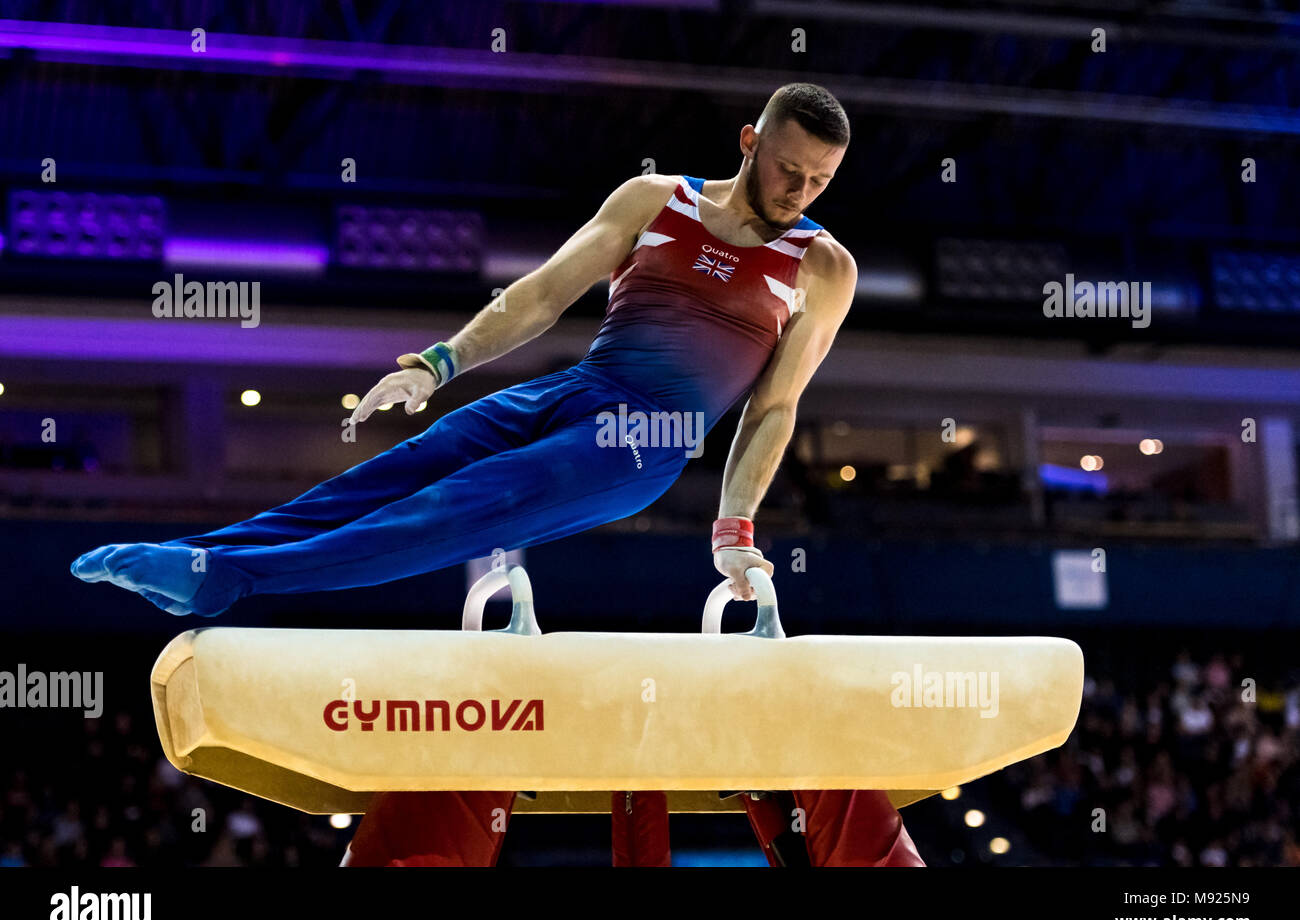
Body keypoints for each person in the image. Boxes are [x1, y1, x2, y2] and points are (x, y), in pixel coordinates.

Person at [72, 82, 923, 867]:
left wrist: (734, 530)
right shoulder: (652, 199)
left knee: (463, 503)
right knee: (406, 465)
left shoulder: (824, 267)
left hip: (648, 439)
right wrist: (435, 365)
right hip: (577, 389)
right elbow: (541, 294)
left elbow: (773, 408)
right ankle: (199, 555)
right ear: (749, 142)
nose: (800, 193)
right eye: (788, 170)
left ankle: (230, 577)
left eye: (820, 180)